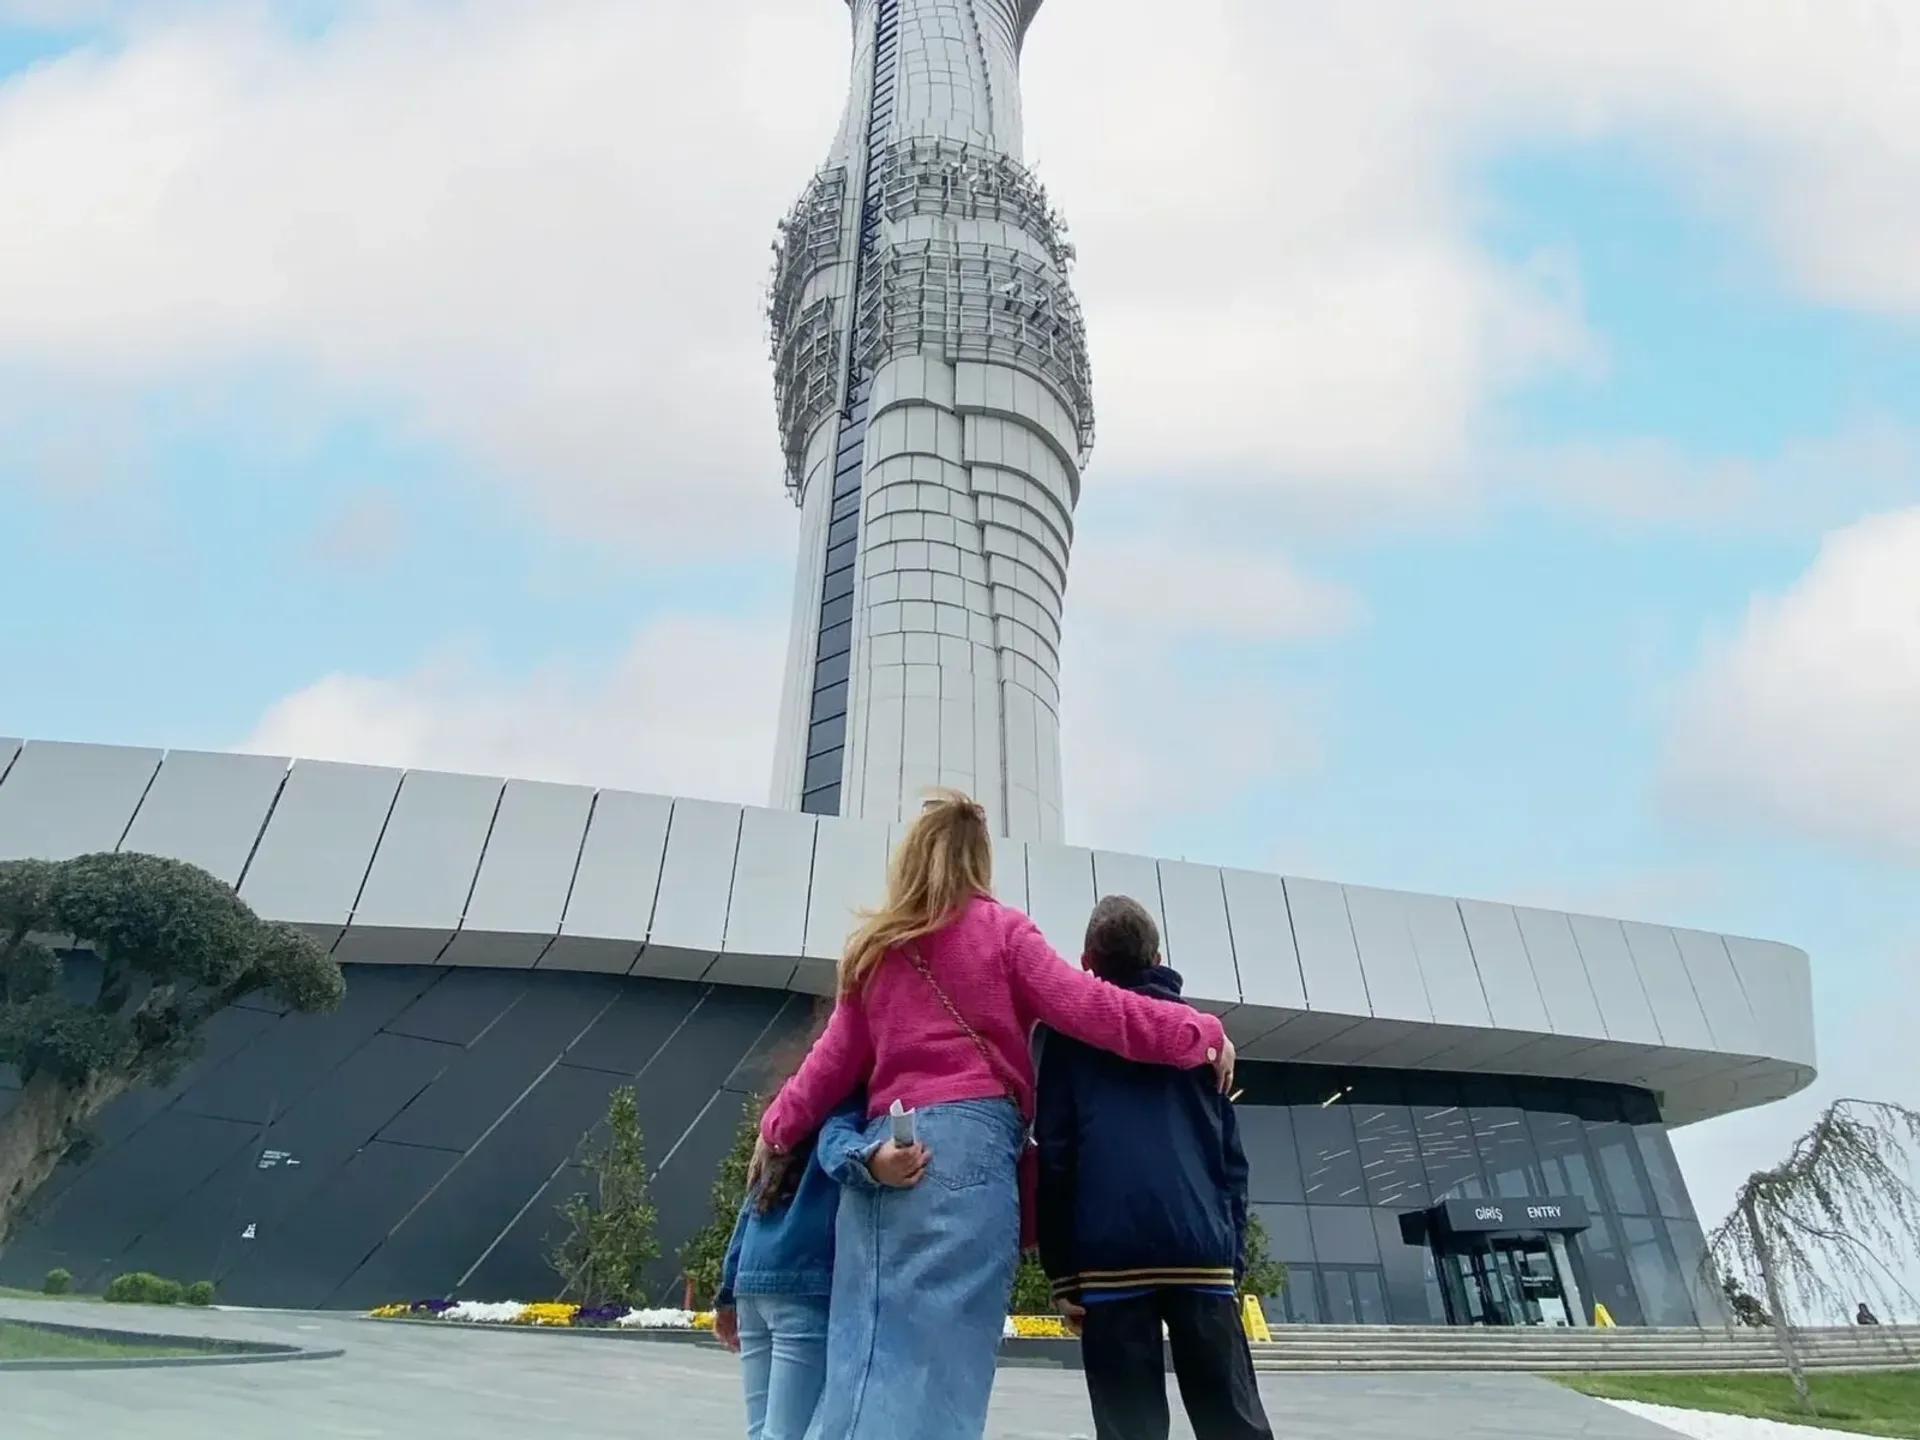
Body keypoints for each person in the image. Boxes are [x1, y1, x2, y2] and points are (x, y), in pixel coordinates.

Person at [753, 790, 1235, 1440]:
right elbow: (1099, 1012)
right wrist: (1197, 1031)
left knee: (864, 1362)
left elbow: (825, 1068)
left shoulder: (875, 952)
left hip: (882, 1161)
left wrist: (774, 1129)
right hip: (969, 1160)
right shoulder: (1003, 933)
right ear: (980, 861)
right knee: (943, 1375)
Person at [1035, 894, 1274, 1440]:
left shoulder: (1069, 1042)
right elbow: (1230, 1159)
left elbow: (1055, 1155)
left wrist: (1062, 1273)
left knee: (1129, 1430)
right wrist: (1230, 1256)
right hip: (1201, 1256)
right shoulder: (1202, 1038)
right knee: (1233, 1424)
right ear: (1158, 955)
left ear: (1087, 963)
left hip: (1110, 1263)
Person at [714, 1068, 930, 1440]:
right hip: (803, 1280)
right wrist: (873, 1161)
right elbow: (836, 1143)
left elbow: (750, 1208)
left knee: (763, 1432)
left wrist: (728, 1292)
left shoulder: (786, 1118)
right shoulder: (849, 1098)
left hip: (754, 1282)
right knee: (788, 1433)